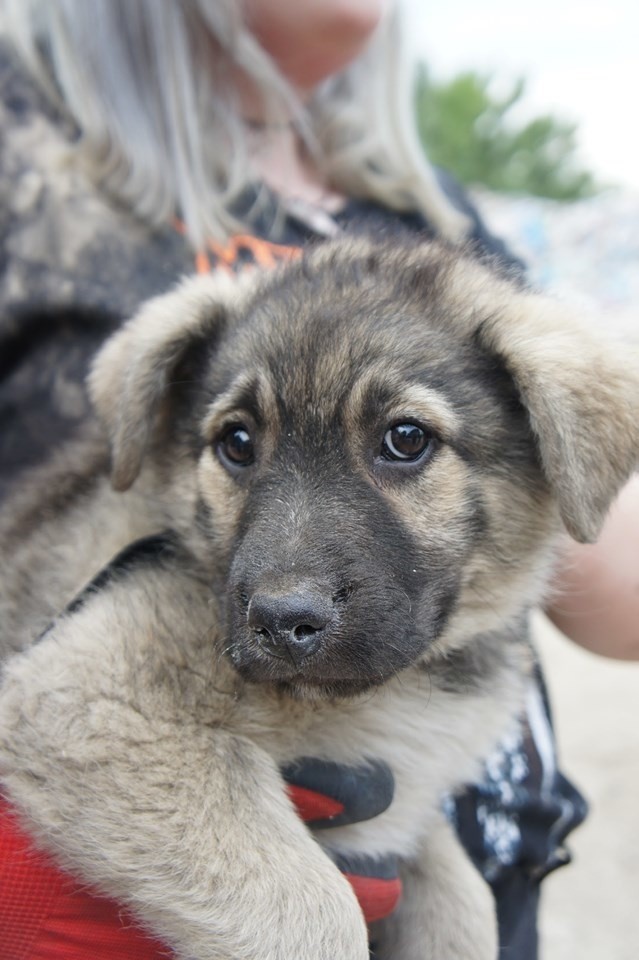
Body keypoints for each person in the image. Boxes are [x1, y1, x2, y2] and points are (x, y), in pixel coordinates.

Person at [0, 2, 636, 958]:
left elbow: (614, 582)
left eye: (405, 441)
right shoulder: (25, 143)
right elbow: (84, 715)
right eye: (238, 445)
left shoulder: (427, 204)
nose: (288, 580)